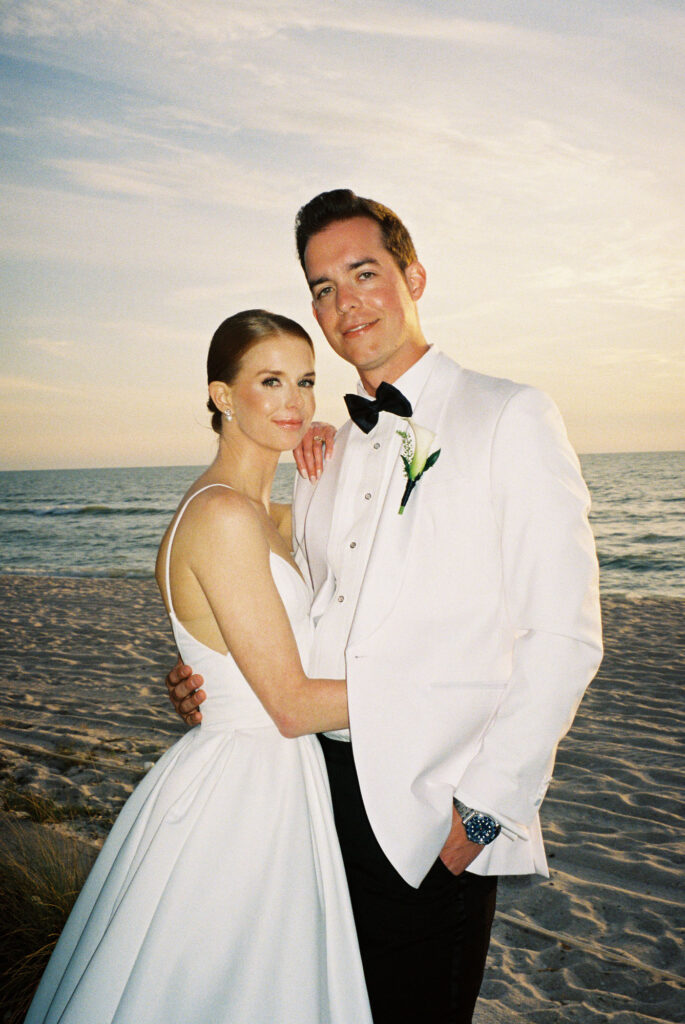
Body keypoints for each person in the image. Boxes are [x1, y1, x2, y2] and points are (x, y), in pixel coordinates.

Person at [168, 191, 604, 1024]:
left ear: (414, 278)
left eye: (363, 273)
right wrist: (214, 677)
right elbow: (294, 607)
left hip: (428, 807)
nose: (345, 302)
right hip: (306, 793)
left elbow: (563, 633)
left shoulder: (509, 415)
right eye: (323, 287)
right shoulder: (321, 451)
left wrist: (487, 810)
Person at [25, 310, 372, 1024]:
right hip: (246, 789)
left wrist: (337, 449)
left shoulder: (267, 515)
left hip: (280, 777)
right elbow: (291, 705)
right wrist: (439, 691)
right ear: (222, 396)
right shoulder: (222, 517)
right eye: (270, 381)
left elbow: (343, 541)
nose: (294, 401)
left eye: (306, 382)